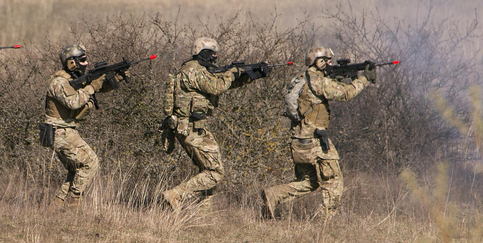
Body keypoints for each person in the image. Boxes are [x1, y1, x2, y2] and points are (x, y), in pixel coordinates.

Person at [261, 47, 376, 219]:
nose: (330, 63)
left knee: (310, 182)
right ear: (319, 62)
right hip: (314, 141)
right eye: (327, 60)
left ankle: (274, 195)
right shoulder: (319, 81)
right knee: (333, 180)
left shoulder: (300, 78)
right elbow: (346, 93)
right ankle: (325, 223)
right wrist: (365, 79)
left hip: (298, 141)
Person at [161, 37, 247, 211]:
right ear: (203, 52)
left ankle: (203, 213)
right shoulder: (194, 70)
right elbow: (217, 87)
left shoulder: (197, 70)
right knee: (215, 172)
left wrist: (249, 76)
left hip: (192, 127)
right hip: (191, 128)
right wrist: (232, 72)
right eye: (212, 53)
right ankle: (175, 194)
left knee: (207, 168)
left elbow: (220, 84)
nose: (215, 56)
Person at [41, 44, 127, 207]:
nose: (86, 63)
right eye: (82, 60)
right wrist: (91, 87)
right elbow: (74, 102)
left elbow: (96, 89)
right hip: (59, 131)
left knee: (76, 169)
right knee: (90, 162)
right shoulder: (59, 83)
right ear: (71, 63)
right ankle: (73, 204)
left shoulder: (73, 80)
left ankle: (57, 205)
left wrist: (115, 78)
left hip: (65, 131)